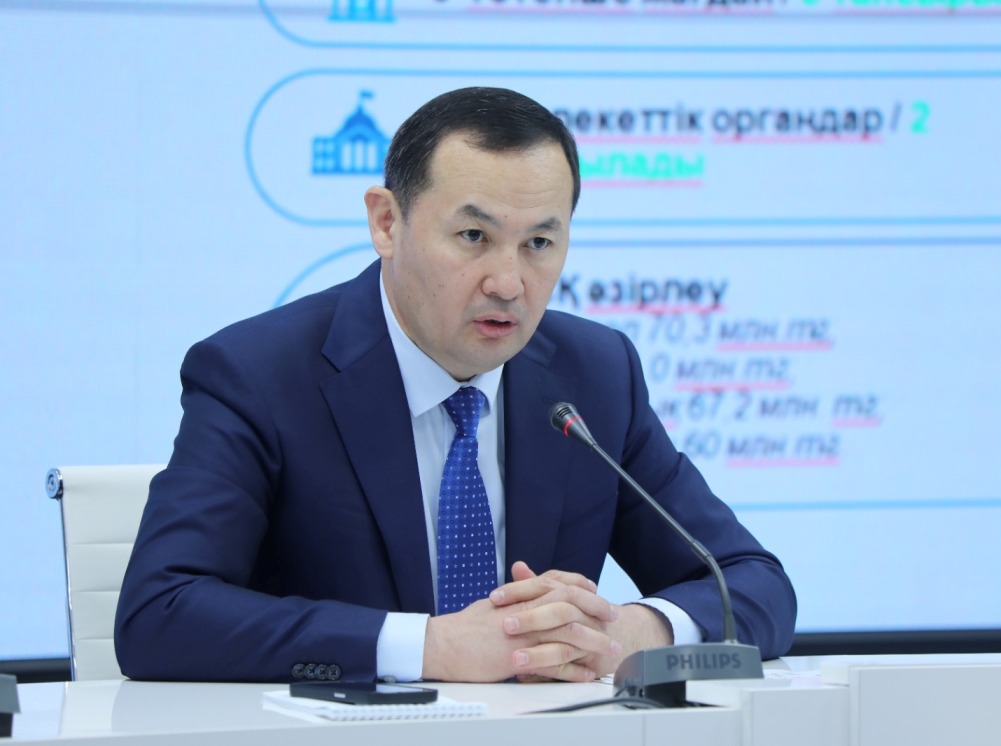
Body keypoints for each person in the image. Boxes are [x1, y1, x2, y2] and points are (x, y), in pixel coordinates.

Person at [115, 87, 796, 684]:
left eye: (539, 244)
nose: (508, 282)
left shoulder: (594, 374)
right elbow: (159, 613)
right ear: (387, 222)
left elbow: (756, 586)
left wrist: (627, 631)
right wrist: (432, 647)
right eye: (474, 236)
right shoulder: (259, 374)